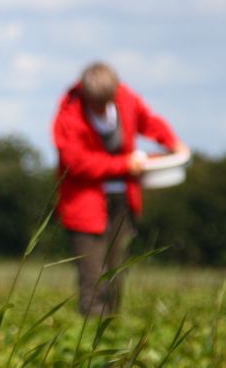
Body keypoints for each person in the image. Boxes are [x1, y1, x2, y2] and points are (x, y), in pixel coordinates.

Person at [51, 61, 189, 316]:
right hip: (84, 207)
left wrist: (172, 142)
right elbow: (77, 163)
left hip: (123, 200)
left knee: (117, 273)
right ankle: (92, 331)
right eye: (96, 104)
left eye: (107, 101)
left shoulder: (125, 98)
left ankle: (111, 327)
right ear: (85, 95)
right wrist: (124, 165)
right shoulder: (68, 114)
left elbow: (148, 121)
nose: (103, 108)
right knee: (93, 277)